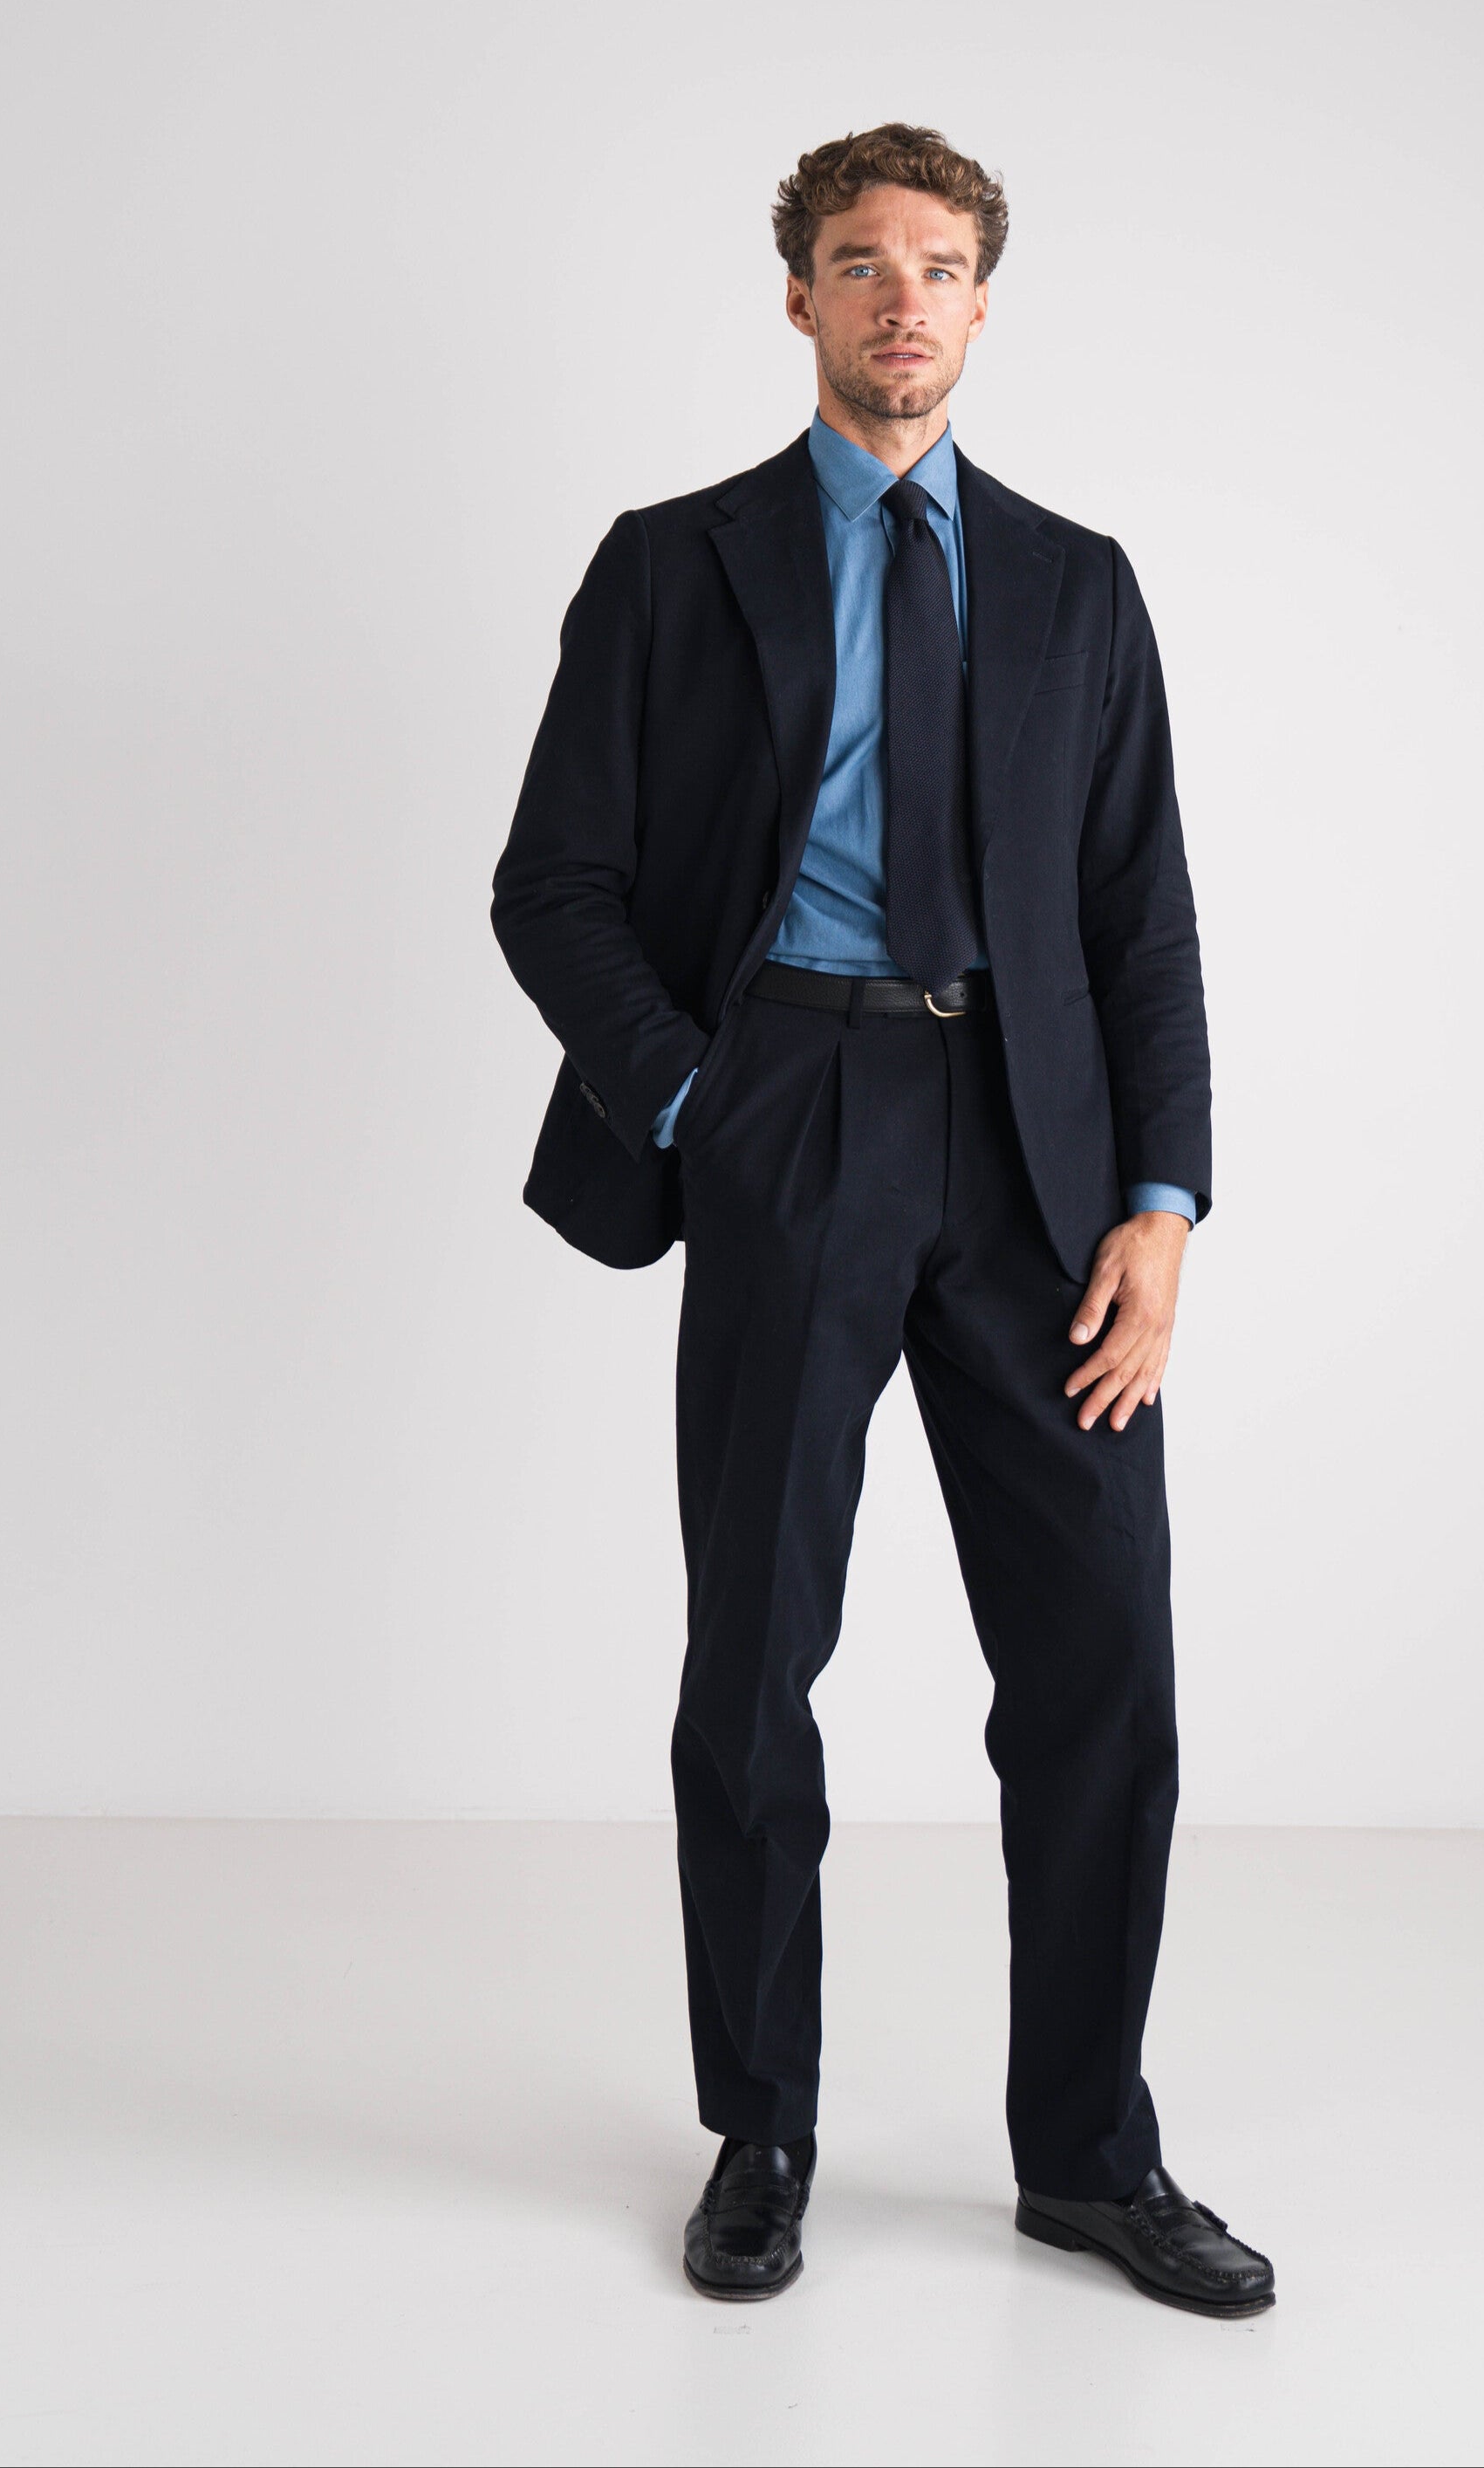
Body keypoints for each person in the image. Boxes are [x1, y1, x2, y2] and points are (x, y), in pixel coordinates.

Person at [491, 124, 1273, 2318]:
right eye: (859, 263)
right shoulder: (673, 565)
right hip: (792, 1109)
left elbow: (1145, 925)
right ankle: (763, 2132)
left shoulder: (1072, 584)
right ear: (800, 299)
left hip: (1035, 1147)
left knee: (1105, 1662)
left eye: (939, 266)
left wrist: (1162, 1202)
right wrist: (701, 1099)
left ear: (984, 304)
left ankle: (1091, 2157)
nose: (901, 299)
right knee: (754, 1658)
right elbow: (547, 882)